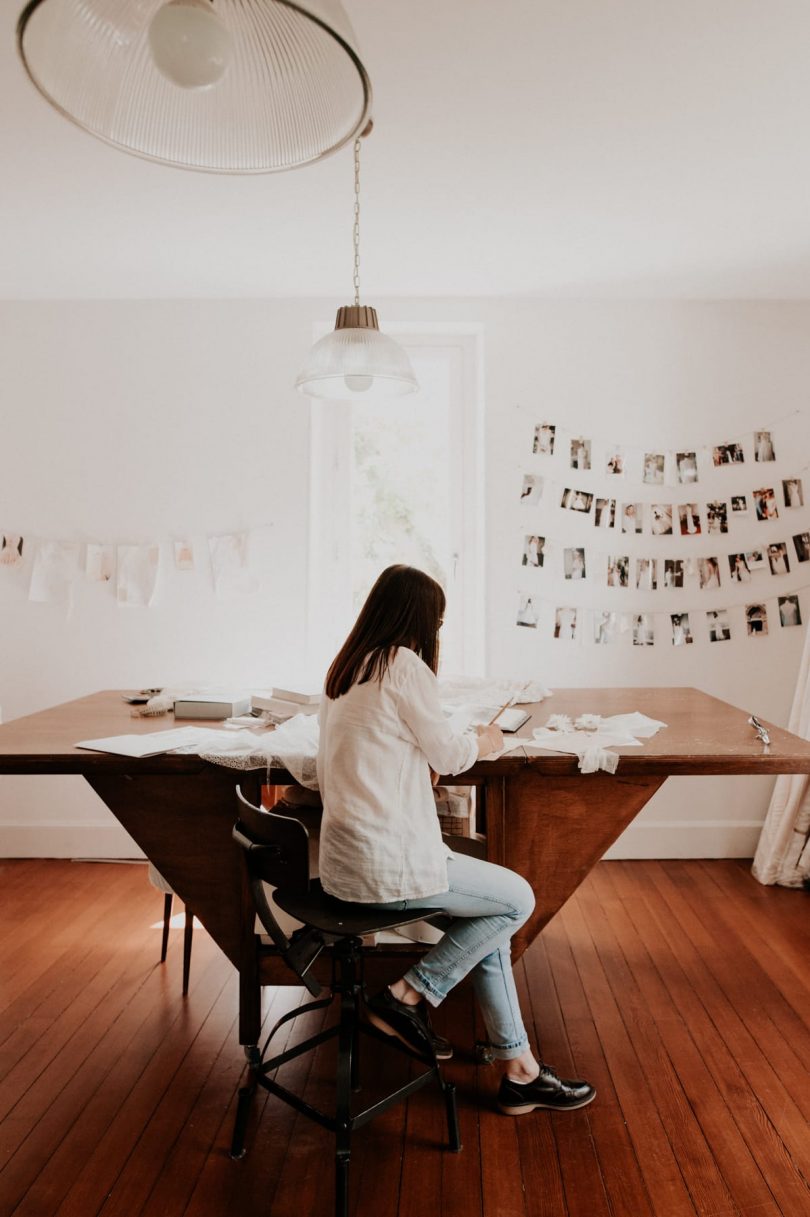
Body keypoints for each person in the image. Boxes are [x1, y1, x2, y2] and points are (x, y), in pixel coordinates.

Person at [316, 565, 595, 1115]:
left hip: (345, 864)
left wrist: (413, 760)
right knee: (516, 899)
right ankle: (406, 995)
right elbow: (451, 754)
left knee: (485, 925)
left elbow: (369, 750)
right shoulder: (402, 663)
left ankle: (520, 1071)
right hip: (386, 864)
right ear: (422, 620)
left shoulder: (345, 670)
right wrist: (485, 739)